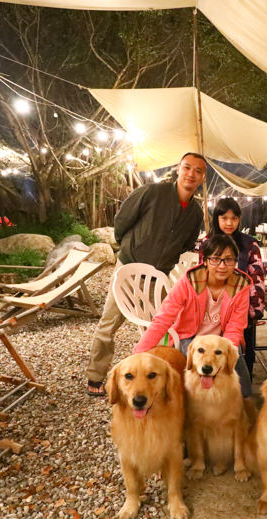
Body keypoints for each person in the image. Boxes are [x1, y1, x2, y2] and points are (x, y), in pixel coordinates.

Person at [84, 152, 206, 396]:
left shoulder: (195, 212)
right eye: (187, 167)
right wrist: (129, 249)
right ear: (179, 169)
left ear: (202, 177)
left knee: (159, 326)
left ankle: (154, 377)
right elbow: (122, 221)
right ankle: (95, 376)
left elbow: (187, 242)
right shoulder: (153, 192)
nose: (191, 174)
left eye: (198, 171)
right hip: (129, 268)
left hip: (158, 275)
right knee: (109, 322)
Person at [133, 235, 253, 396]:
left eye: (229, 259)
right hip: (191, 336)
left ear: (235, 261)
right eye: (216, 259)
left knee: (242, 387)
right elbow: (164, 318)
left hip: (223, 338)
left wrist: (225, 355)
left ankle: (237, 405)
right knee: (192, 381)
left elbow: (235, 327)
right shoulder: (189, 281)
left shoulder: (241, 285)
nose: (222, 266)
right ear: (205, 260)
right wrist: (138, 353)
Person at [200, 198, 265, 378]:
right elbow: (201, 277)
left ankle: (242, 392)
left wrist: (254, 311)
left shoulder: (250, 244)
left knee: (242, 356)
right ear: (216, 219)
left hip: (241, 310)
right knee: (212, 355)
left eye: (234, 218)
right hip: (212, 312)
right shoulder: (207, 242)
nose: (229, 223)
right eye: (224, 218)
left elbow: (257, 279)